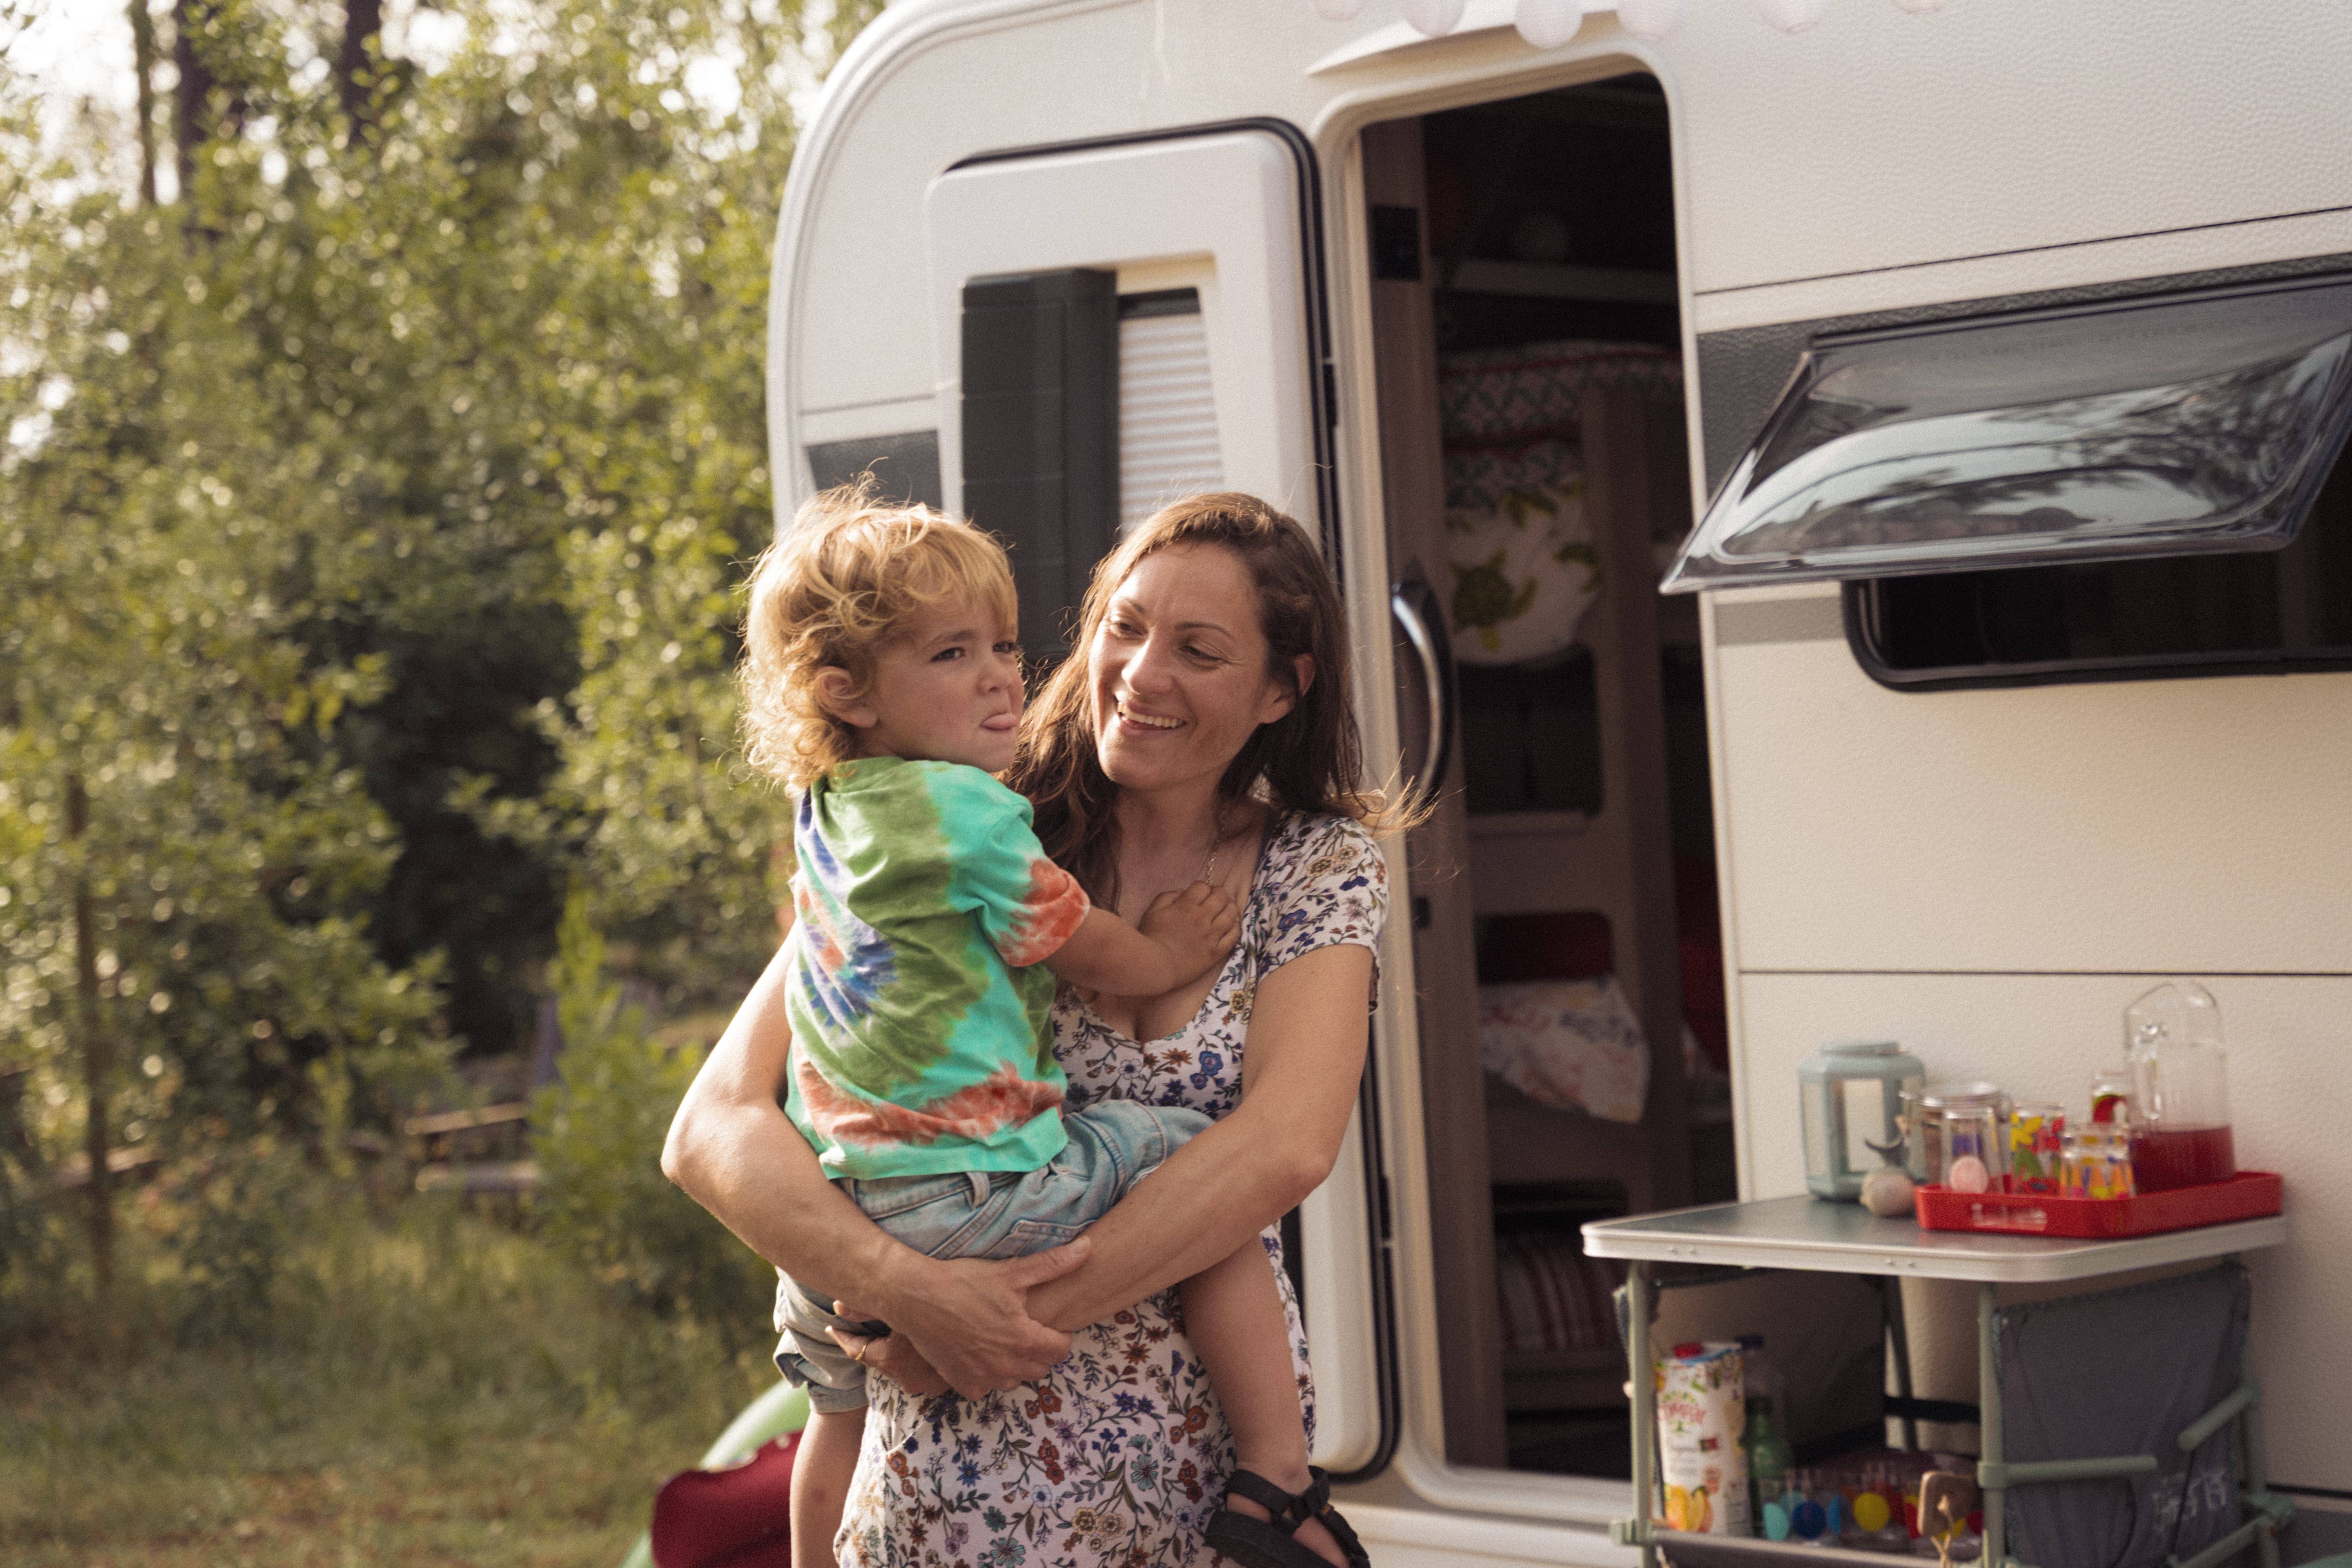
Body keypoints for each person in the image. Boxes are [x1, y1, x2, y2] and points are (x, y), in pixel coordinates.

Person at [666, 491, 1393, 1568]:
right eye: (1125, 626)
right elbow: (714, 1130)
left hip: (1181, 1510)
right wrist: (908, 1291)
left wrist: (982, 1327)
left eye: (1198, 650)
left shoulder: (1314, 868)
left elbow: (1285, 1146)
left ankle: (1279, 1489)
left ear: (1283, 691)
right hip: (940, 1501)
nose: (1142, 676)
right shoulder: (966, 823)